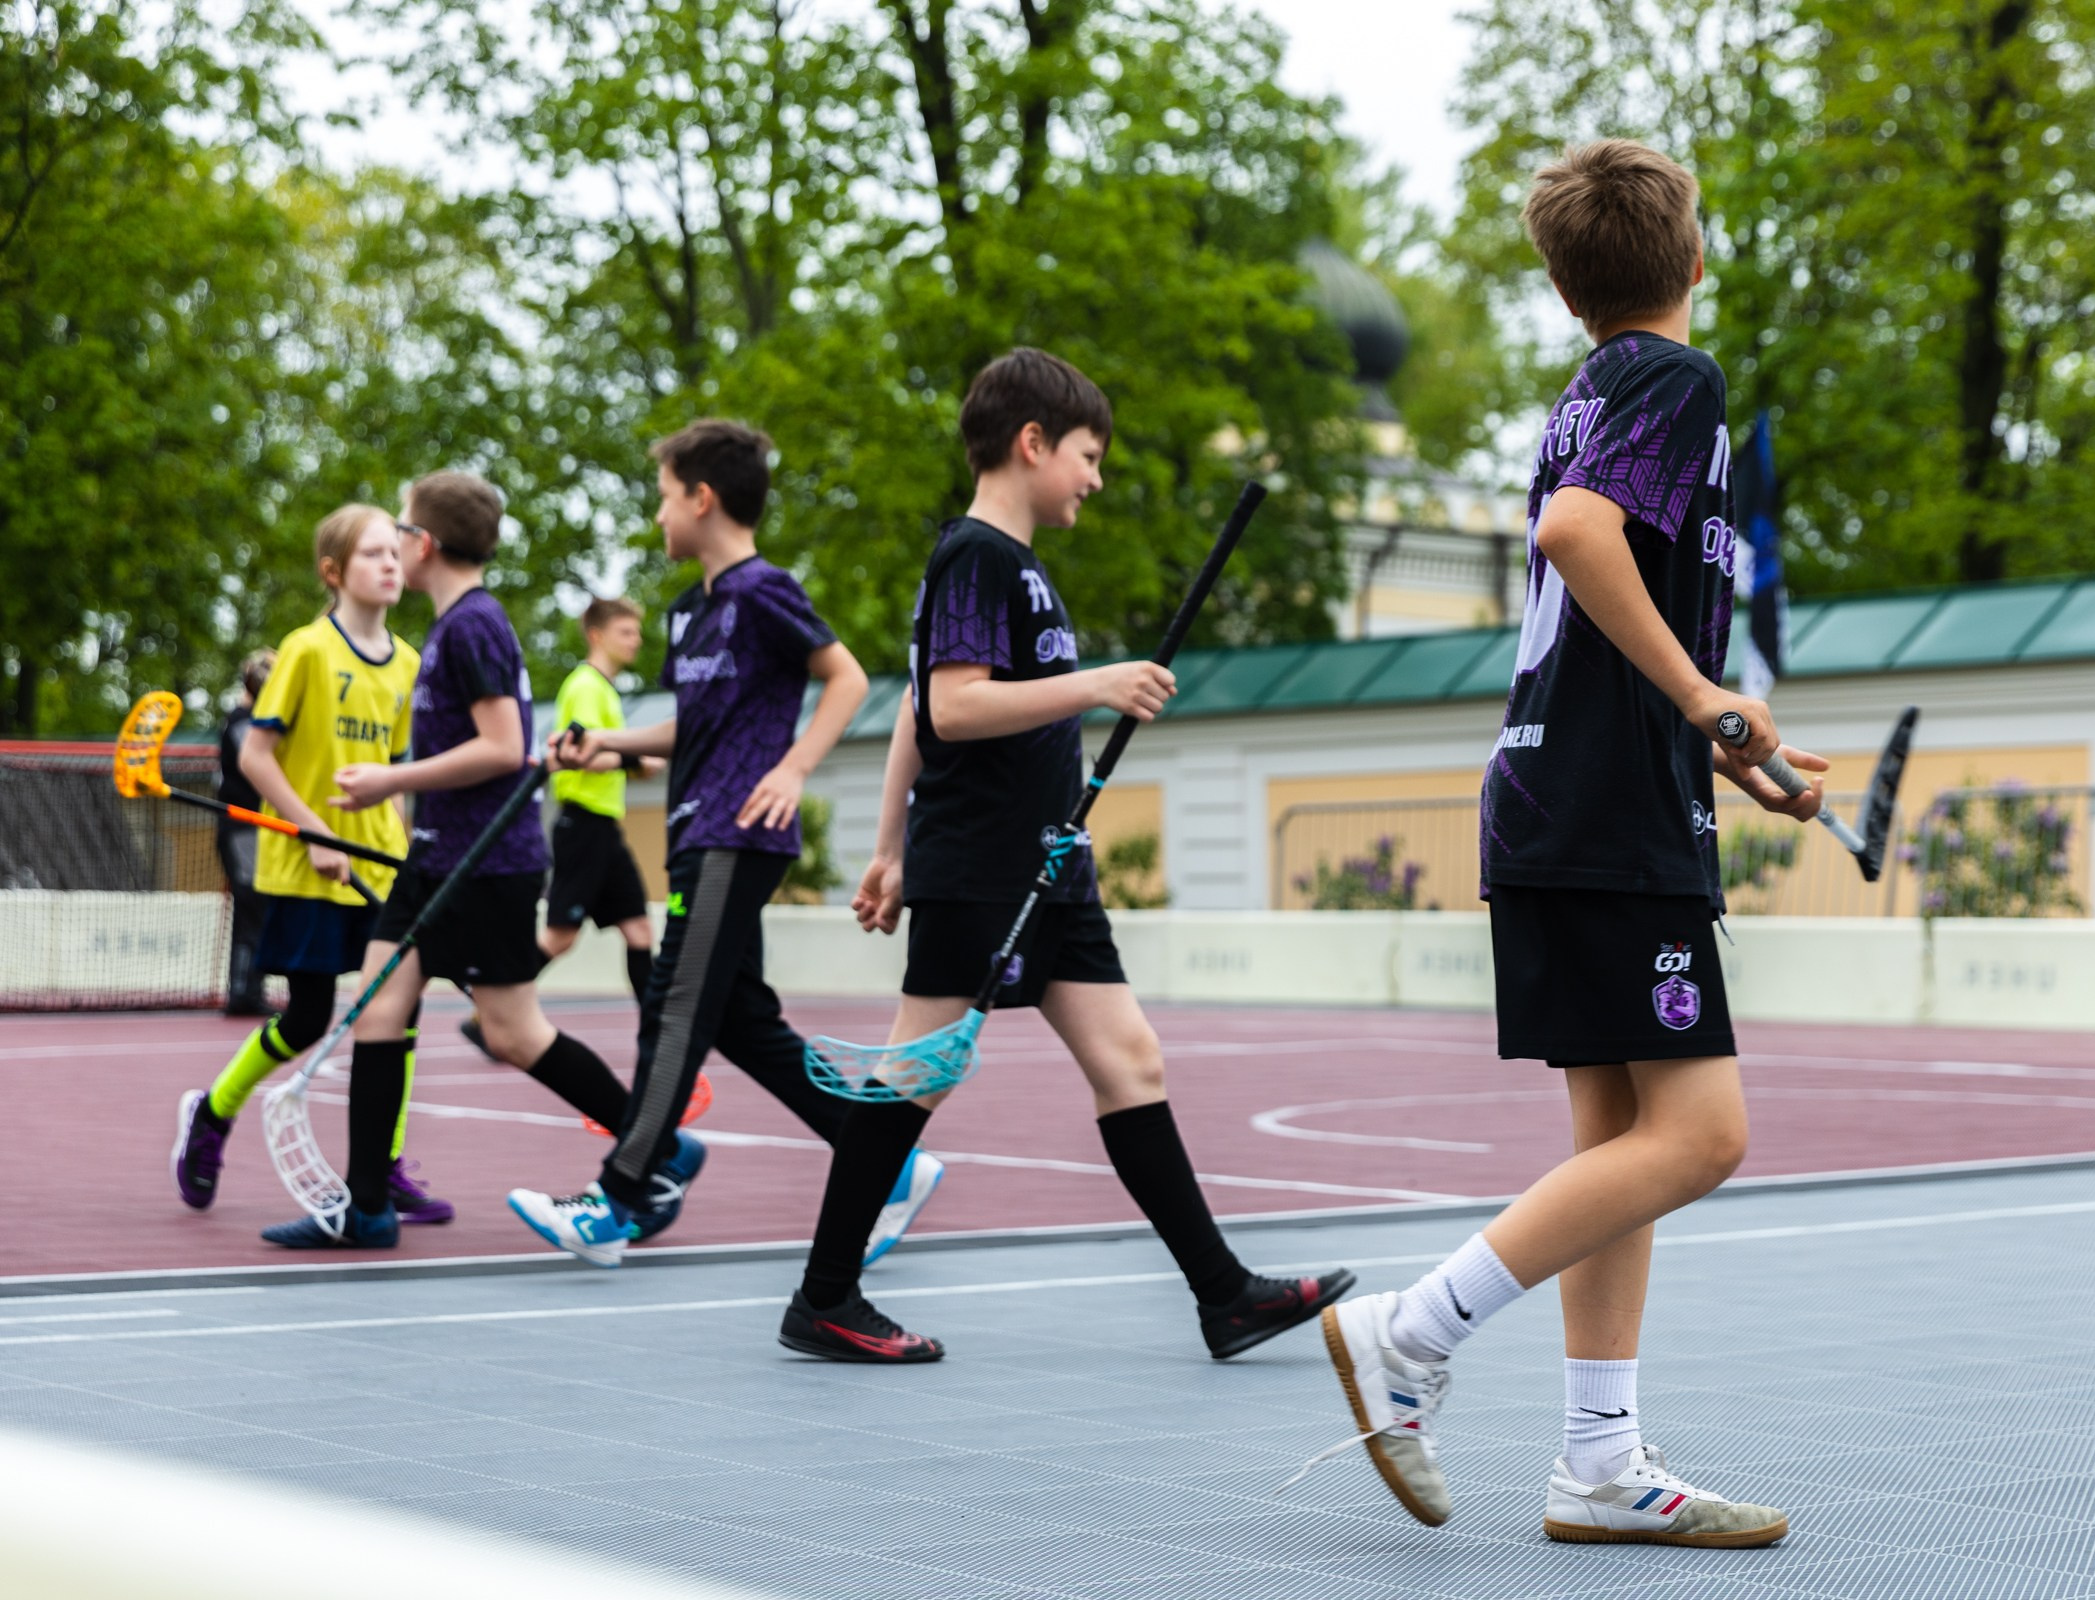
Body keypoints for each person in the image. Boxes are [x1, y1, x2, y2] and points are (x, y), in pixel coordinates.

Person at [1297, 140, 1823, 1545]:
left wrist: (1731, 748)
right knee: (1703, 1135)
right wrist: (1709, 699)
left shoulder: (1591, 391)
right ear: (1694, 260)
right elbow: (1582, 536)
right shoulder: (1671, 380)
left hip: (1564, 795)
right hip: (1602, 813)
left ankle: (1600, 1463)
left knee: (1624, 1139)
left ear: (1561, 282)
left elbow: (1607, 590)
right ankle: (1411, 1333)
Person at [777, 348, 1354, 1365]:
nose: (1095, 477)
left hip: (1047, 868)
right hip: (985, 866)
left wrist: (884, 846)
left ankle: (1223, 1295)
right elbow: (949, 704)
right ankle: (824, 1296)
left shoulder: (1019, 567)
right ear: (1032, 443)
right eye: (1088, 455)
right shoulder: (978, 556)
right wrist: (1095, 686)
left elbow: (920, 701)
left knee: (1131, 1058)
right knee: (915, 1076)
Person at [506, 420, 942, 1270]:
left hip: (735, 835)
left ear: (702, 498)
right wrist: (607, 745)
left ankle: (621, 1196)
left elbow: (846, 675)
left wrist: (795, 767)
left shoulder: (761, 590)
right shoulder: (687, 612)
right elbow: (695, 727)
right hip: (694, 831)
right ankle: (886, 1160)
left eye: (665, 497)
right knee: (742, 1021)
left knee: (673, 1005)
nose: (659, 515)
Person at [256, 472, 636, 1249]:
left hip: (488, 864)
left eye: (399, 529)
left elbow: (502, 749)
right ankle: (366, 1211)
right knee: (381, 1009)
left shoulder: (473, 627)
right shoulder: (454, 626)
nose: (393, 542)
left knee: (512, 1033)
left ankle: (650, 1145)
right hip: (434, 860)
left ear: (424, 544)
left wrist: (390, 780)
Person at [173, 509, 448, 1224]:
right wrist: (314, 831)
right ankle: (214, 1113)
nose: (391, 565)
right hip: (306, 866)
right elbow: (254, 756)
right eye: (371, 554)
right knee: (309, 1017)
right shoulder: (305, 650)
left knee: (398, 1013)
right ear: (333, 571)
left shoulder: (412, 663)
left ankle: (379, 1168)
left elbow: (397, 769)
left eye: (396, 552)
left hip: (381, 866)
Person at [457, 596, 661, 1061]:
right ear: (598, 635)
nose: (636, 641)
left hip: (606, 828)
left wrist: (632, 762)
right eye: (627, 632)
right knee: (559, 937)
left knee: (639, 932)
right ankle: (488, 1014)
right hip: (583, 824)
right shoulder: (586, 687)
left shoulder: (606, 689)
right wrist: (636, 760)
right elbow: (582, 755)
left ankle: (658, 1032)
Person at [216, 648, 278, 1018]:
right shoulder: (243, 720)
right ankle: (242, 991)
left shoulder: (259, 719)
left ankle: (250, 988)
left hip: (258, 828)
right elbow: (255, 763)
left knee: (259, 908)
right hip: (242, 828)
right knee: (251, 906)